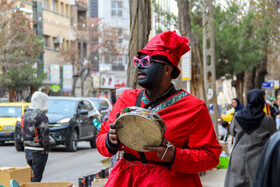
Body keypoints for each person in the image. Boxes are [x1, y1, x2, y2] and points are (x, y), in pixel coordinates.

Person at [96, 31, 222, 186]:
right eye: (138, 61)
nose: (139, 67)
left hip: (169, 181)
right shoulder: (126, 99)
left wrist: (174, 155)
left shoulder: (194, 108)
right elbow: (101, 138)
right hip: (126, 180)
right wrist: (110, 140)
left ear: (167, 69)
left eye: (146, 62)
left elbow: (211, 156)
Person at [224, 89, 276, 187]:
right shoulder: (267, 120)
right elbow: (275, 138)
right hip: (258, 160)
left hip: (238, 158)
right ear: (261, 102)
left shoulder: (237, 116)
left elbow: (232, 132)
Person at [22, 91, 50, 182]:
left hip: (27, 149)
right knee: (36, 178)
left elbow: (21, 131)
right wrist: (47, 149)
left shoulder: (25, 115)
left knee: (31, 175)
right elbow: (45, 134)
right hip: (38, 151)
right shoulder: (41, 116)